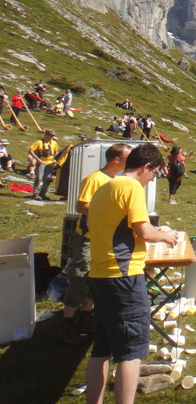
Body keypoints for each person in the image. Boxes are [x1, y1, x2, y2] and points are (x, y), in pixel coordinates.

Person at [85, 143, 179, 404]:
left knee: (101, 348)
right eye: (155, 174)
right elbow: (144, 231)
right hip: (123, 277)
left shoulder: (106, 186)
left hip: (100, 274)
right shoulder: (131, 187)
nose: (153, 180)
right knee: (130, 351)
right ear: (147, 167)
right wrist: (167, 236)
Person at [61, 143, 132, 345]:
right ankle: (68, 321)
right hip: (88, 237)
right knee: (80, 275)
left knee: (97, 276)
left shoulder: (116, 180)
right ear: (116, 160)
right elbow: (81, 205)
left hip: (105, 238)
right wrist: (109, 208)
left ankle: (86, 316)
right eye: (128, 158)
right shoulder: (94, 179)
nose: (131, 162)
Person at [29, 129, 59, 200]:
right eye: (50, 135)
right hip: (41, 162)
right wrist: (38, 159)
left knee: (48, 178)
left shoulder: (54, 143)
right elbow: (30, 150)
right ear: (46, 135)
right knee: (39, 178)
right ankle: (36, 193)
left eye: (53, 136)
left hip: (50, 163)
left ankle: (43, 193)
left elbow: (56, 152)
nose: (51, 137)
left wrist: (56, 159)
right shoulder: (39, 142)